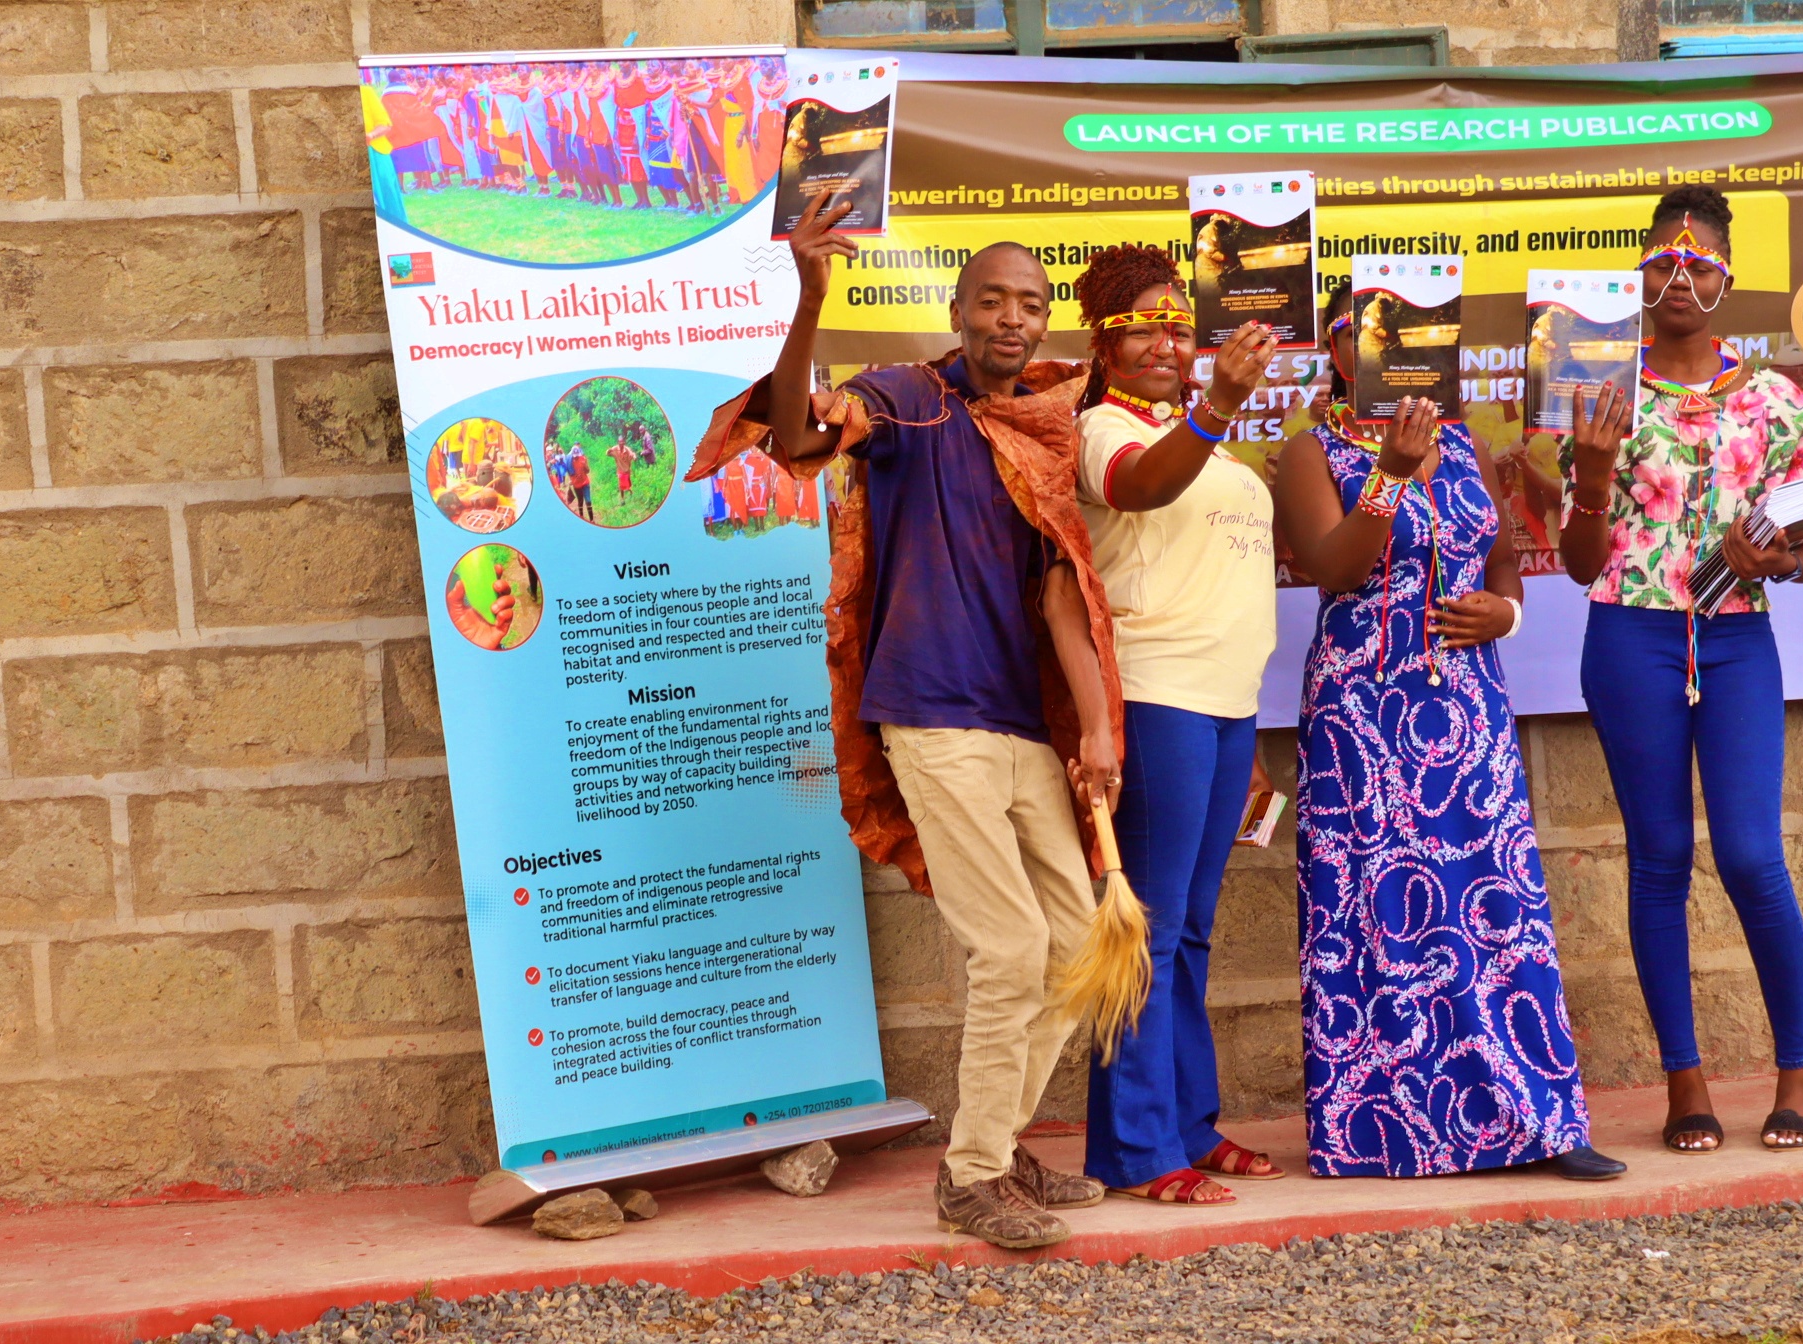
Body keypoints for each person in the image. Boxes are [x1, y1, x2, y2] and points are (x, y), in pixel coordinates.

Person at [688, 196, 1125, 1249]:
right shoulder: (905, 400)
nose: (1012, 319)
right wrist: (808, 298)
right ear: (959, 310)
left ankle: (996, 1142)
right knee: (1011, 949)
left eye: (1030, 304)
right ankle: (971, 1178)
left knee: (1078, 947)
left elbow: (1061, 594)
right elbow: (797, 433)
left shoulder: (1040, 431)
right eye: (993, 300)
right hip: (932, 715)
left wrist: (1095, 729)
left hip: (1020, 724)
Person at [1273, 281, 1624, 1183]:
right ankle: (1387, 1134)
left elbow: (1502, 564)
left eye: (1418, 338)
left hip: (1468, 711)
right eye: (1370, 335)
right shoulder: (1312, 451)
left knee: (1498, 905)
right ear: (1339, 352)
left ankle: (1539, 1120)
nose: (1396, 353)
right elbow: (1333, 568)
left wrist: (1506, 614)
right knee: (1381, 915)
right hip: (1364, 715)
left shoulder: (1466, 444)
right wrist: (1390, 473)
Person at [1559, 185, 1803, 1155]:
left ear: (1726, 280)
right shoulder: (1599, 392)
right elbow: (1581, 564)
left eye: (1699, 263)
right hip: (1629, 638)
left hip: (1734, 637)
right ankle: (1685, 1083)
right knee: (1661, 858)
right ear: (1639, 276)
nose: (1679, 276)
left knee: (1753, 855)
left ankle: (1797, 1071)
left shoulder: (1775, 401)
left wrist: (1777, 558)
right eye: (1662, 261)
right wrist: (1593, 476)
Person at [1067, 246, 1281, 1207]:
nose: (1164, 342)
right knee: (1147, 930)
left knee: (1190, 930)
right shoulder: (1103, 430)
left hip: (1226, 704)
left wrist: (1253, 734)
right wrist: (1221, 403)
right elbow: (1140, 488)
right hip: (1157, 697)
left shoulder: (1206, 444)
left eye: (1178, 327)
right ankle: (1137, 1149)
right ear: (1104, 343)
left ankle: (1188, 1125)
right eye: (1141, 326)